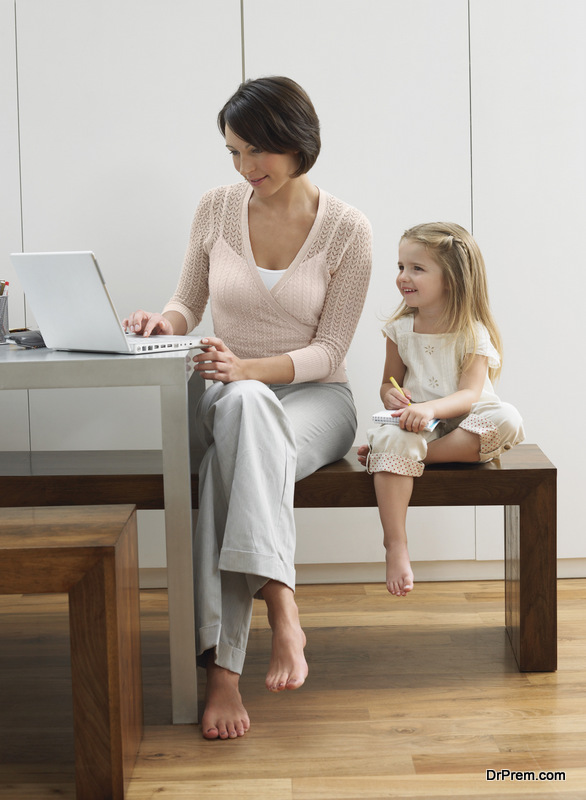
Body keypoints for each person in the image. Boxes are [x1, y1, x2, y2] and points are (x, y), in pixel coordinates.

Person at [123, 76, 372, 739]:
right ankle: (282, 605)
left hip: (318, 402)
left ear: (297, 143)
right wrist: (162, 321)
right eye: (233, 152)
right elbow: (188, 304)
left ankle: (223, 674)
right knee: (240, 413)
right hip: (231, 398)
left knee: (241, 425)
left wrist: (248, 370)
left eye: (257, 151)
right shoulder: (214, 209)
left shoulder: (348, 229)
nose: (245, 167)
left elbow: (331, 348)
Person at [357, 222, 524, 598]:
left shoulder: (472, 331)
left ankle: (399, 458)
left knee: (509, 420)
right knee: (393, 434)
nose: (404, 277)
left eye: (417, 268)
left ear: (450, 279)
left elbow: (469, 394)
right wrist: (392, 398)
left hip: (467, 420)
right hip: (421, 421)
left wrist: (430, 407)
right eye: (401, 267)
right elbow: (388, 383)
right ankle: (396, 545)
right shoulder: (400, 329)